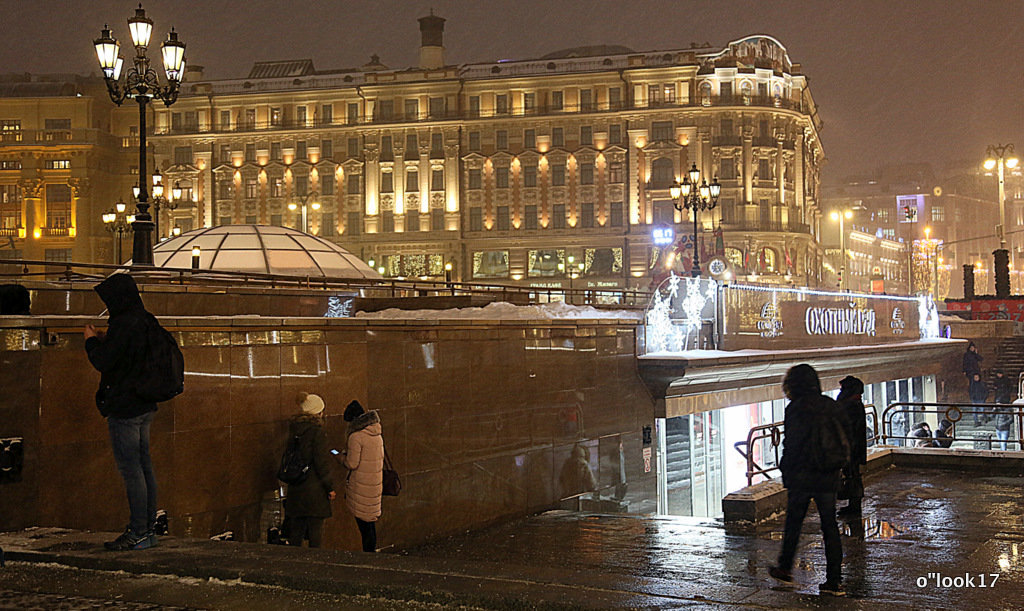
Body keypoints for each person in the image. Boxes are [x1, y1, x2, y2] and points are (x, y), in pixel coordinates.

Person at [84, 274, 160, 551]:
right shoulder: (144, 319)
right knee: (144, 467)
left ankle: (138, 531)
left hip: (125, 407)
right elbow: (130, 354)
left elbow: (105, 361)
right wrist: (108, 339)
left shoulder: (123, 323)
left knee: (132, 471)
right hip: (145, 404)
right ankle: (148, 529)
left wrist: (91, 341)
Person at [770, 364, 848, 597]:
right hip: (827, 474)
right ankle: (834, 580)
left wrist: (786, 468)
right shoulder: (830, 405)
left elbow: (792, 443)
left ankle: (785, 567)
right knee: (829, 526)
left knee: (794, 522)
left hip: (803, 474)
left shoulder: (796, 408)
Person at [284, 392, 335, 548]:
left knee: (296, 532)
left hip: (296, 485)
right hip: (314, 489)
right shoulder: (317, 432)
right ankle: (314, 566)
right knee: (315, 533)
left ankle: (294, 565)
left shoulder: (294, 429)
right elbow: (321, 463)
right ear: (317, 412)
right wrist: (330, 487)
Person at [343, 400, 384, 553]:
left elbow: (352, 464)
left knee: (365, 526)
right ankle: (371, 554)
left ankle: (368, 557)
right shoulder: (376, 432)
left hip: (362, 485)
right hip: (374, 484)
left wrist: (339, 457)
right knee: (369, 524)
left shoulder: (356, 437)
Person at [835, 376, 867, 516]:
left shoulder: (850, 405)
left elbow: (847, 427)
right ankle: (854, 505)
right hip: (853, 446)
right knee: (852, 474)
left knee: (852, 475)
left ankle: (854, 506)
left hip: (850, 447)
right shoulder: (855, 402)